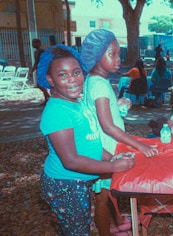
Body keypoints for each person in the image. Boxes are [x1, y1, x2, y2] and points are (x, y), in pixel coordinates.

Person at [38, 44, 135, 236]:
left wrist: (110, 157)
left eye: (76, 72)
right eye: (62, 75)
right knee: (78, 230)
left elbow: (90, 141)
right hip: (64, 185)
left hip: (78, 183)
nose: (72, 80)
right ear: (50, 80)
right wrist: (113, 168)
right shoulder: (58, 111)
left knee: (80, 225)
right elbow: (71, 160)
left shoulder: (77, 103)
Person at [80, 29, 158, 236]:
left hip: (104, 145)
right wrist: (139, 144)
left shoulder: (95, 80)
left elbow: (101, 112)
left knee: (107, 190)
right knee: (102, 197)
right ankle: (106, 232)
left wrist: (117, 104)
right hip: (106, 148)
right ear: (96, 56)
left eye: (118, 53)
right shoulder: (99, 85)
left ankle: (115, 224)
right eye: (112, 54)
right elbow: (107, 125)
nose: (118, 59)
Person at [29, 38, 51, 105]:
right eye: (32, 43)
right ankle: (46, 99)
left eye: (34, 43)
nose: (33, 44)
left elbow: (37, 62)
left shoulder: (41, 51)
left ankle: (49, 97)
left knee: (40, 85)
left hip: (43, 69)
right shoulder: (36, 52)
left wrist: (32, 70)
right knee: (41, 85)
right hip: (40, 69)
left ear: (39, 43)